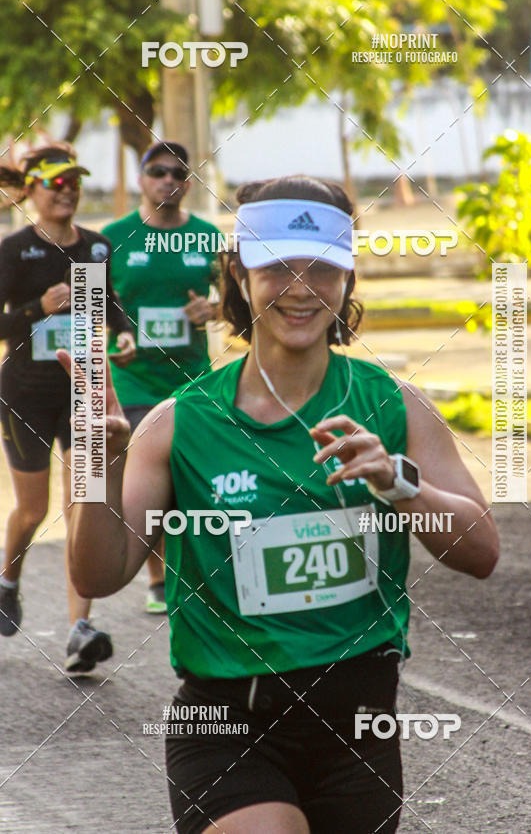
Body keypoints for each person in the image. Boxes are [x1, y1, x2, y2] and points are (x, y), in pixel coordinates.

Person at [61, 175, 499, 832]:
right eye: (278, 268)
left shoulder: (394, 405)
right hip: (227, 726)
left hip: (360, 728)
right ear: (238, 276)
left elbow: (483, 552)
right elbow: (97, 575)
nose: (301, 288)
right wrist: (96, 463)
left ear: (349, 278)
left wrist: (398, 482)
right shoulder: (178, 424)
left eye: (323, 267)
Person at [0, 142, 136, 674]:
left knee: (84, 499)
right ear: (32, 190)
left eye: (75, 181)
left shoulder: (97, 248)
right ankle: (8, 580)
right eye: (57, 183)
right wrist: (39, 308)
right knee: (33, 510)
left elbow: (109, 306)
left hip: (82, 389)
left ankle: (81, 627)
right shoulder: (15, 251)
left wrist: (123, 335)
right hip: (26, 391)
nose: (69, 191)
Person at [102, 141, 220, 614]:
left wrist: (213, 309)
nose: (167, 180)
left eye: (176, 174)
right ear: (141, 180)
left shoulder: (208, 236)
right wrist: (114, 344)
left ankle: (192, 573)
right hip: (132, 382)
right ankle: (156, 579)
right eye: (157, 172)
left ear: (187, 185)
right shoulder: (111, 238)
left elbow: (238, 299)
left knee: (192, 479)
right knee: (149, 479)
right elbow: (91, 308)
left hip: (191, 379)